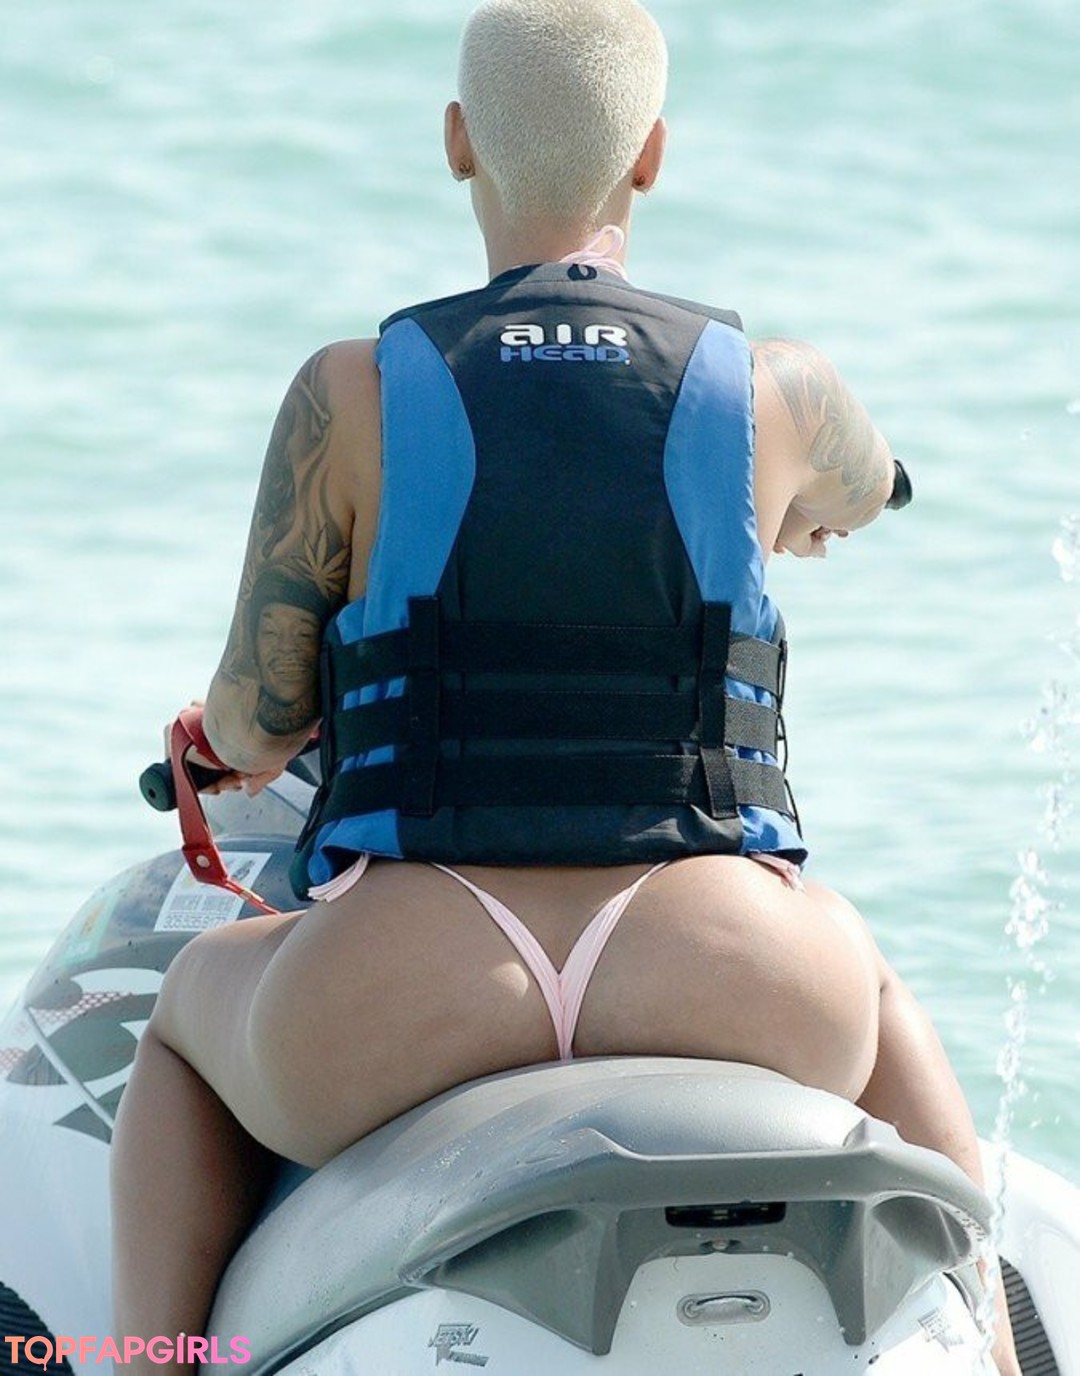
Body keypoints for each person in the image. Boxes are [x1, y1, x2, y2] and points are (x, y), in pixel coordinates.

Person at [110, 2, 1019, 1371]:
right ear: (650, 154)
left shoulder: (350, 393)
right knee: (875, 991)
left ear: (457, 142)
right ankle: (997, 1343)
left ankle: (149, 1362)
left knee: (184, 1022)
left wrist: (230, 747)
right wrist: (805, 509)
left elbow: (258, 712)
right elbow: (869, 488)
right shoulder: (777, 393)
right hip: (720, 962)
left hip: (418, 973)